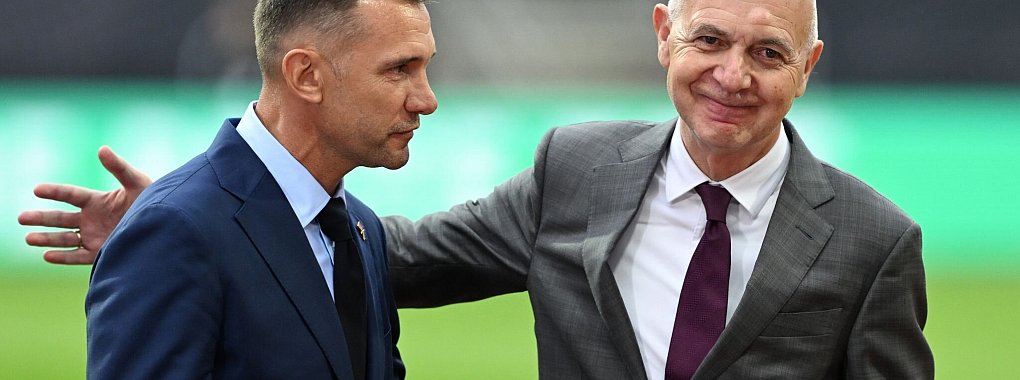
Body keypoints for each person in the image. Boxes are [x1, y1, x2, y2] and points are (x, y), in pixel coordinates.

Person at [21, 0, 934, 378]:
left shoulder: (871, 242)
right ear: (663, 34)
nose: (731, 75)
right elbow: (392, 254)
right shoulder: (577, 171)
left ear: (809, 65)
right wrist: (205, 222)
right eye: (709, 41)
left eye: (768, 52)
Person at [21, 0, 437, 378]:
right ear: (306, 76)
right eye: (399, 69)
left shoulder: (360, 228)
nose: (426, 99)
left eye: (425, 68)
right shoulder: (173, 231)